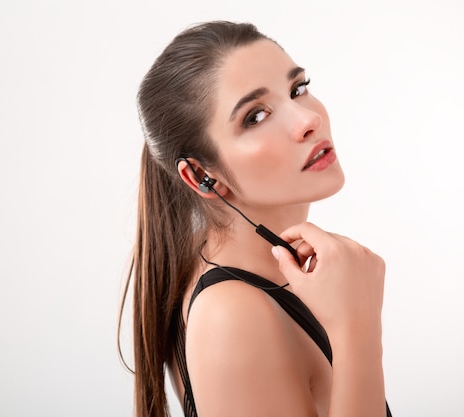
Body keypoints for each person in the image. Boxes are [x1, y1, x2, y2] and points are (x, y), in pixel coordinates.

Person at [118, 20, 392, 417]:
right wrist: (358, 329)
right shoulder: (232, 316)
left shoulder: (265, 275)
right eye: (255, 116)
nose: (307, 120)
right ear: (201, 176)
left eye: (298, 89)